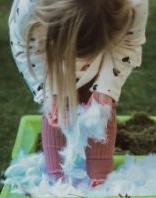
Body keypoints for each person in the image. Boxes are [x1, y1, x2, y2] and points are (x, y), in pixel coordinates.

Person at [9, 0, 148, 186]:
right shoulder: (30, 10)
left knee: (99, 108)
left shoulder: (134, 5)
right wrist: (50, 93)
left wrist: (106, 90)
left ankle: (100, 176)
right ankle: (57, 180)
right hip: (50, 51)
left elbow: (129, 43)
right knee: (58, 109)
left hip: (102, 45)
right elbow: (27, 49)